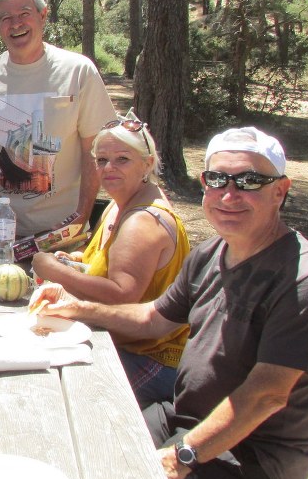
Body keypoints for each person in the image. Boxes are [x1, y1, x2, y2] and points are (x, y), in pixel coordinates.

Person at [37, 127, 308, 479]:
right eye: (216, 180)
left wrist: (185, 453)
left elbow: (266, 396)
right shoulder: (211, 254)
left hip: (253, 455)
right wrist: (77, 307)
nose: (228, 195)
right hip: (185, 416)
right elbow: (152, 318)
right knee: (81, 446)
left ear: (280, 190)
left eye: (250, 181)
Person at [30, 111, 190, 407]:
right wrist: (77, 259)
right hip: (116, 341)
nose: (109, 168)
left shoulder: (143, 220)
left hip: (150, 358)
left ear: (148, 164)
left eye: (122, 159)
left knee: (48, 391)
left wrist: (53, 269)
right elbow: (107, 262)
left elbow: (122, 296)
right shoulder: (119, 205)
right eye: (102, 160)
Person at [0, 0, 116, 238]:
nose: (15, 24)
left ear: (43, 16)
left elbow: (93, 150)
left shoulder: (78, 71)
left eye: (24, 14)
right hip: (1, 232)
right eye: (5, 18)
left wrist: (81, 216)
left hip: (63, 232)